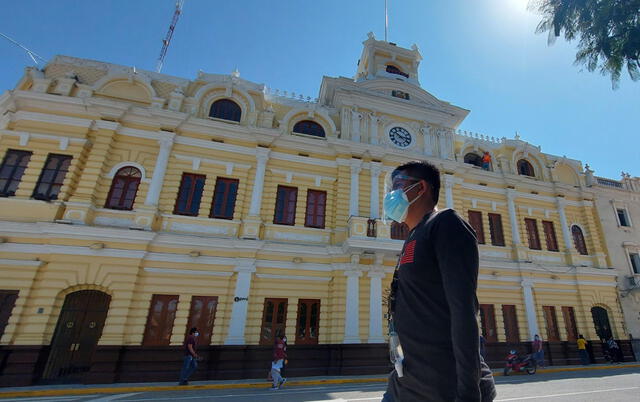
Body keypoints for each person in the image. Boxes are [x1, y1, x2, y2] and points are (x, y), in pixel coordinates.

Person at [382, 160, 496, 402]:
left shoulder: (446, 223)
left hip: (443, 388)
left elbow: (463, 311)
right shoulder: (413, 235)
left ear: (421, 188)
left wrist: (468, 394)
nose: (391, 195)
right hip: (405, 384)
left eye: (398, 186)